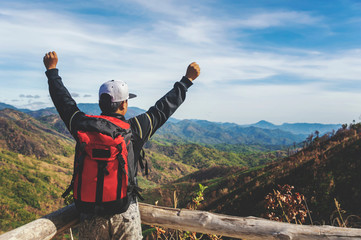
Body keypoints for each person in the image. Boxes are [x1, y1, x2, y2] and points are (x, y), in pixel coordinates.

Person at [43, 51, 200, 240]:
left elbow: (64, 102)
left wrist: (52, 71)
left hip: (90, 215)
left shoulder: (81, 125)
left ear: (101, 102)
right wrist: (186, 81)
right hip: (124, 212)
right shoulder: (134, 129)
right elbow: (162, 109)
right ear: (124, 105)